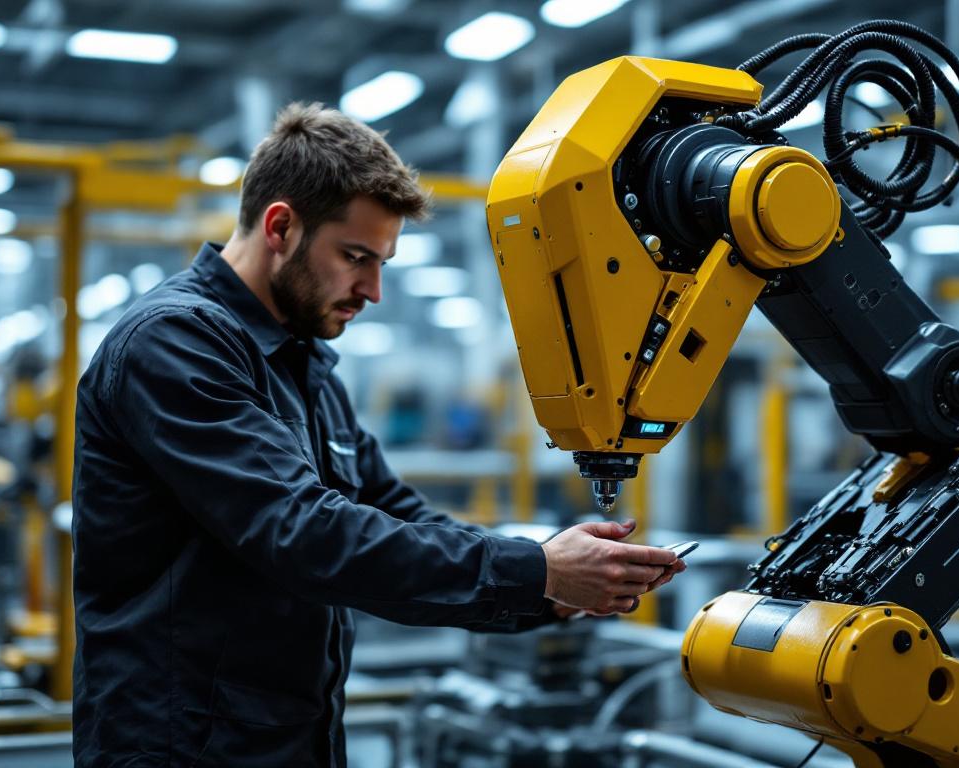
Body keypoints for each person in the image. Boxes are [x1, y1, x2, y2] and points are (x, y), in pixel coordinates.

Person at [71, 102, 685, 767]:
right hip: (179, 747)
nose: (373, 289)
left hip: (287, 739)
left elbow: (393, 516)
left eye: (382, 261)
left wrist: (549, 592)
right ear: (281, 226)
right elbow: (304, 532)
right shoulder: (173, 342)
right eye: (356, 257)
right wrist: (535, 570)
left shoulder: (305, 368)